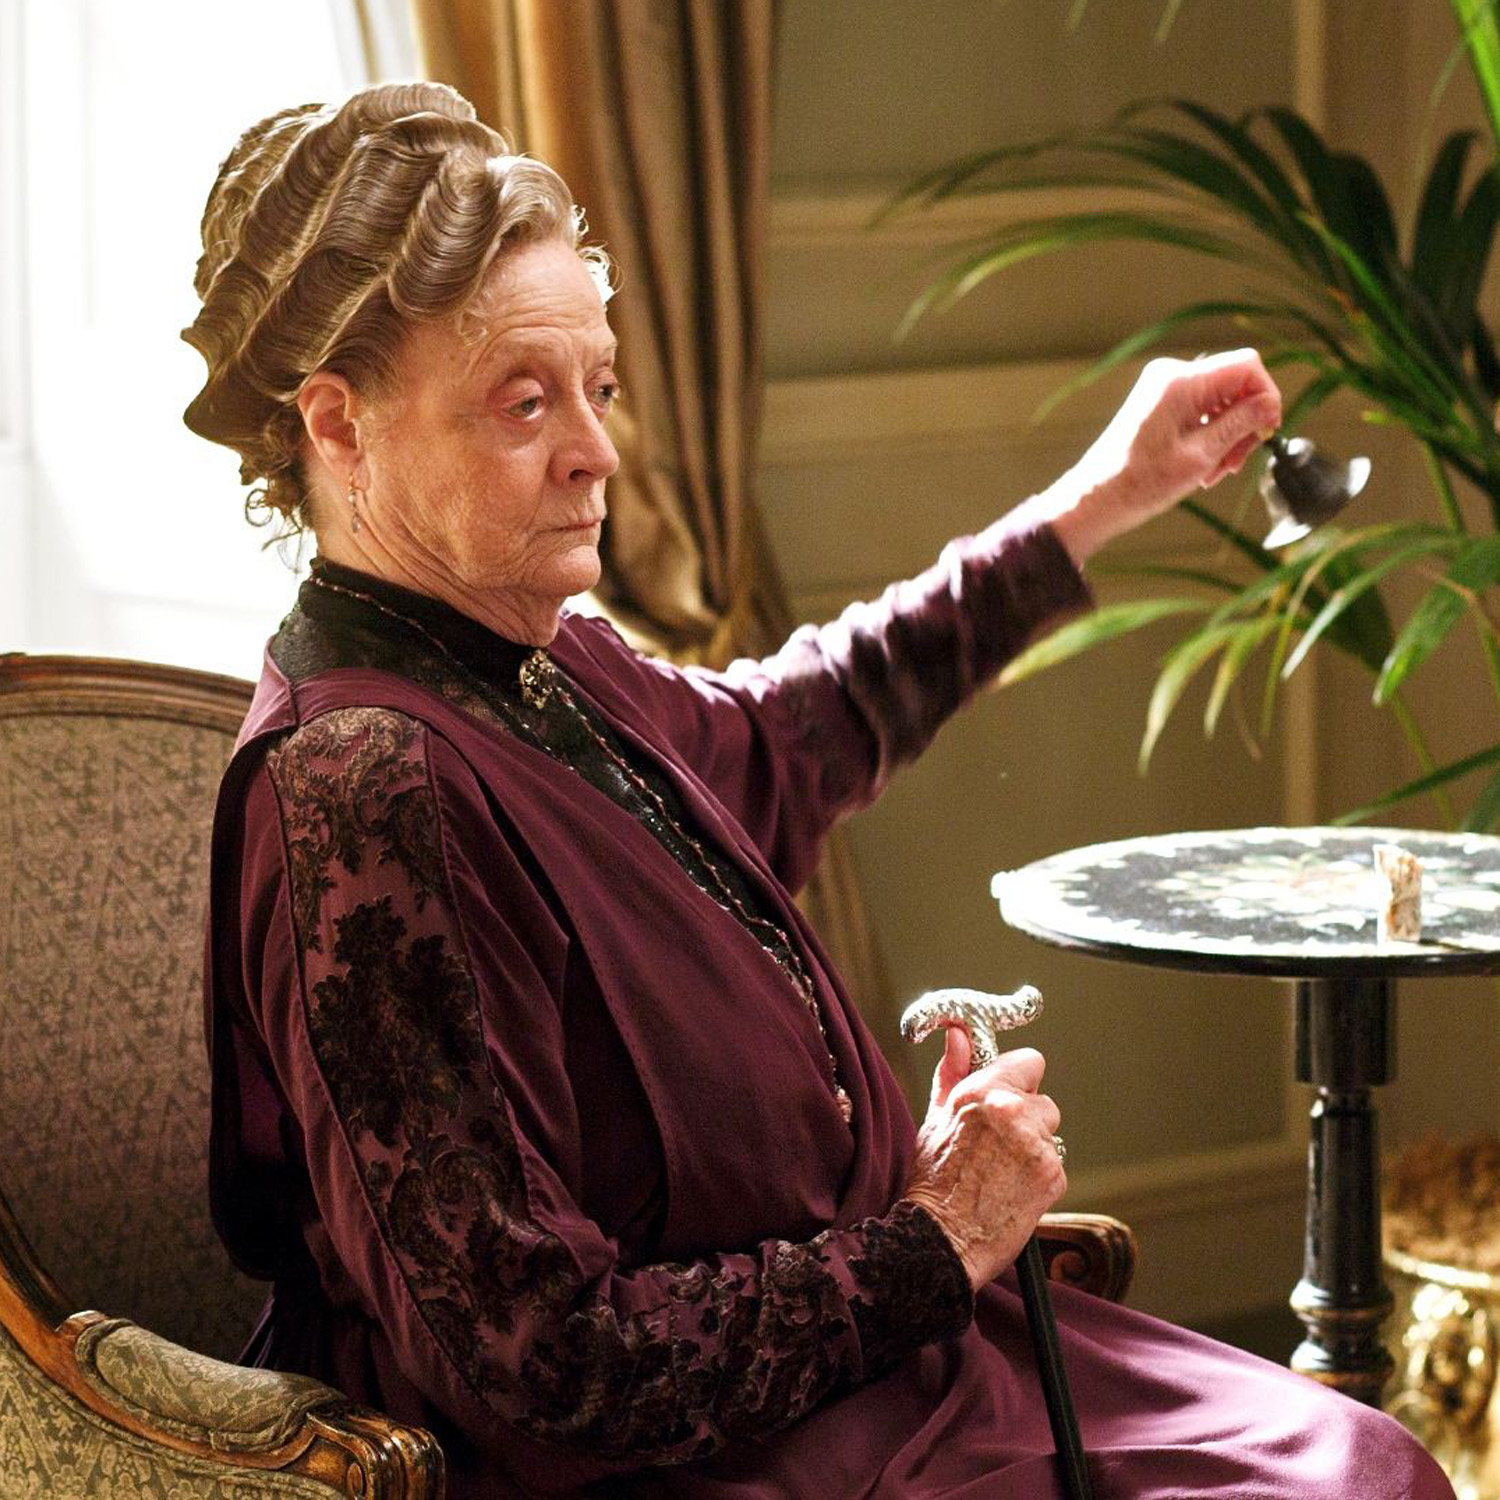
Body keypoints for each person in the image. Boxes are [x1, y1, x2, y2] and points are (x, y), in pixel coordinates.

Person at [191, 82, 1454, 1499]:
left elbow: (795, 735)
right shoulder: (361, 793)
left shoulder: (543, 663)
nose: (598, 451)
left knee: (1362, 1458)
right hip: (704, 1468)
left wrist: (1107, 493)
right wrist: (935, 1238)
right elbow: (547, 1371)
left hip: (875, 1384)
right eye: (524, 401)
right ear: (339, 426)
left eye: (601, 388)